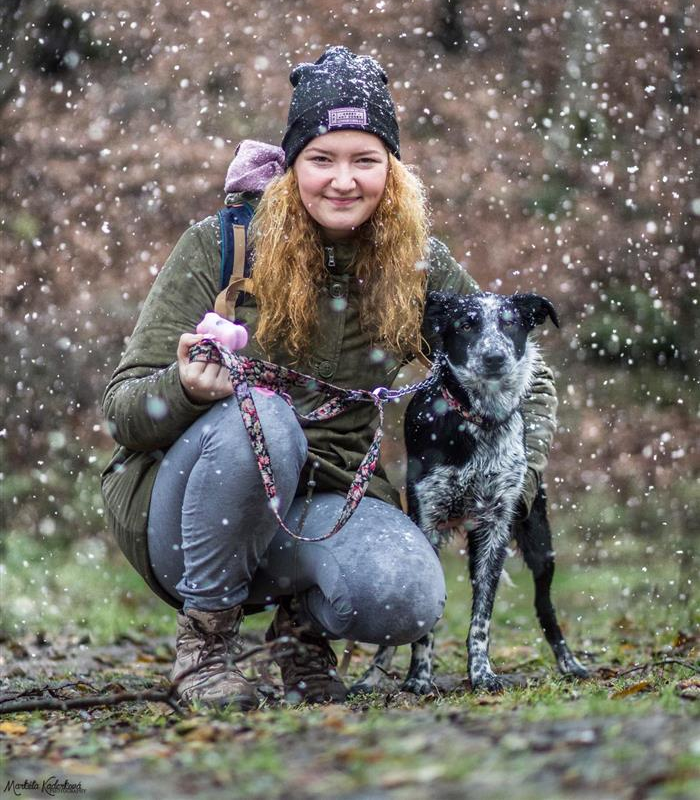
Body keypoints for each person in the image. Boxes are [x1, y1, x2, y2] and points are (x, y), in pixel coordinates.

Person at [100, 46, 557, 710]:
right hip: (186, 514)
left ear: (392, 173)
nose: (343, 181)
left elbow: (524, 379)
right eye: (322, 159)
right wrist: (183, 390)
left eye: (365, 160)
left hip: (330, 505)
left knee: (408, 594)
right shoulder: (222, 247)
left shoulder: (418, 269)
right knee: (268, 420)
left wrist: (517, 477)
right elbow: (121, 412)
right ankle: (206, 646)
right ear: (292, 168)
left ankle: (301, 633)